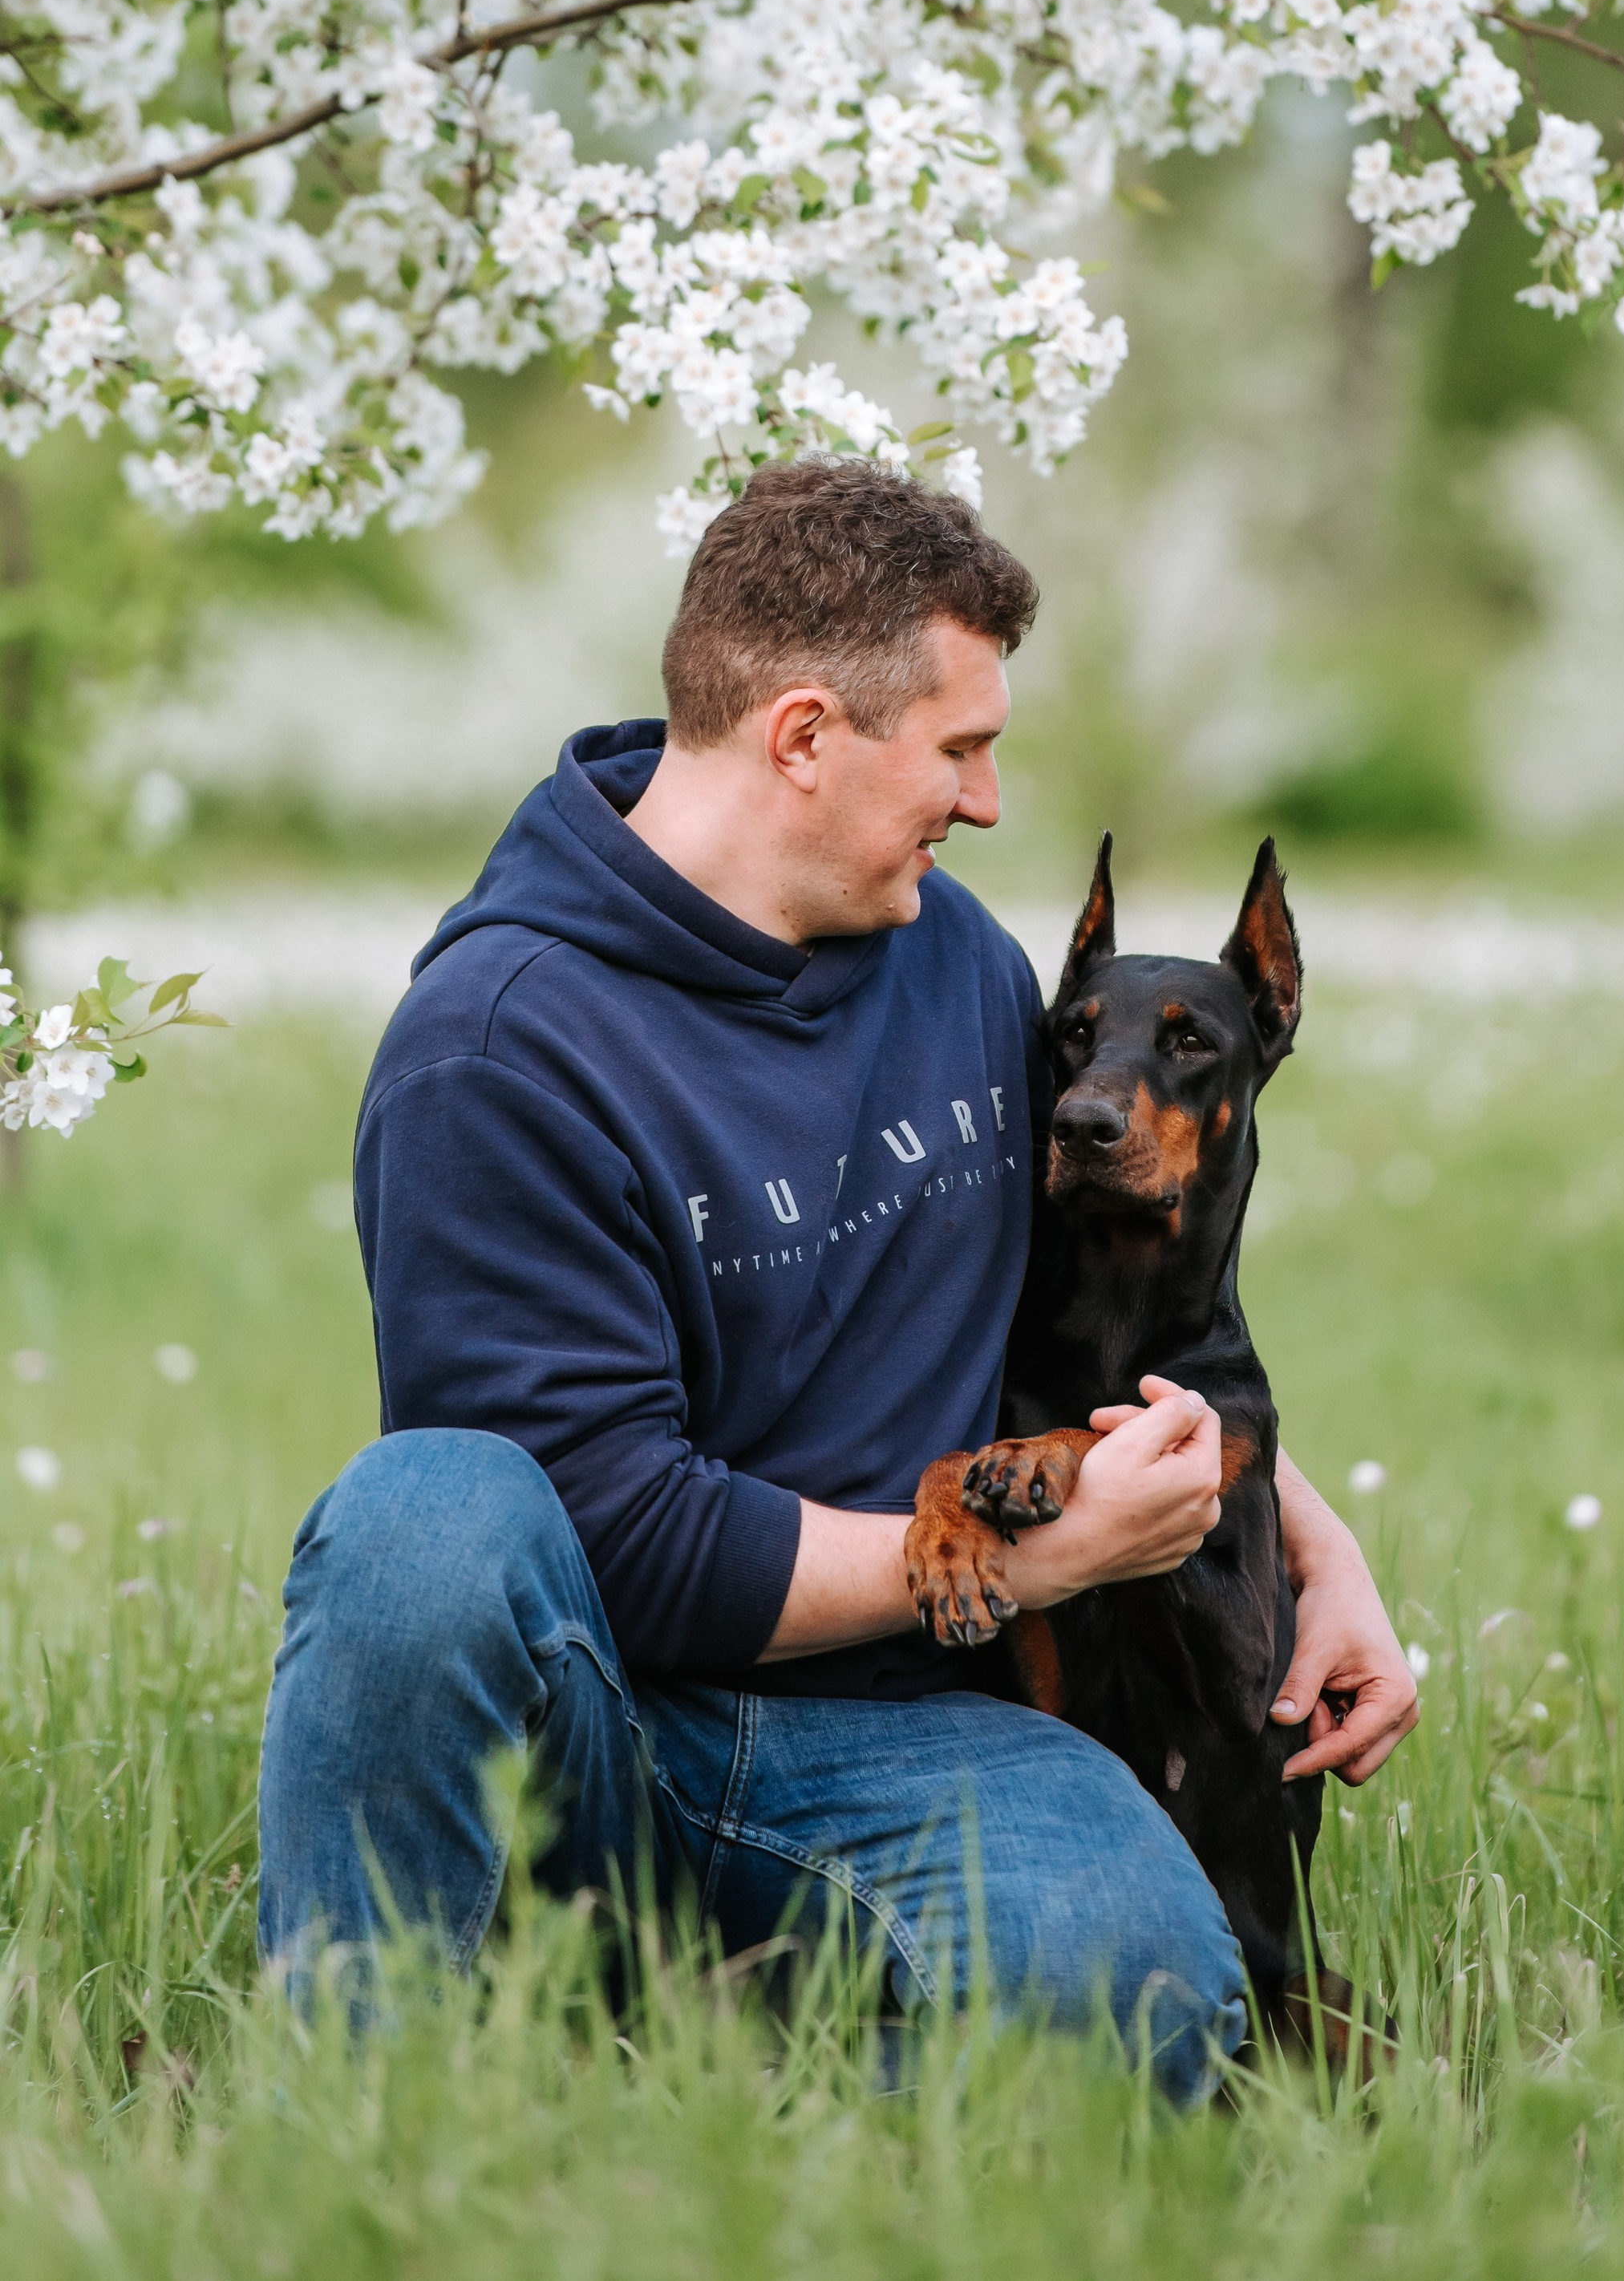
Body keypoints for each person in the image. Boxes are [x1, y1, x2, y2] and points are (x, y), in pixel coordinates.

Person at [257, 460, 1416, 2105]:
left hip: (911, 1735)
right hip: (604, 1731)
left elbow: (1081, 1312)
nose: (989, 800)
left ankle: (669, 2107)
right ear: (804, 735)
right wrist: (1027, 1568)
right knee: (421, 1521)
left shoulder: (961, 971)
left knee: (1151, 2002)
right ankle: (361, 2104)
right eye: (959, 748)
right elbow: (618, 1534)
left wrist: (1302, 1526)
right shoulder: (501, 1049)